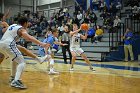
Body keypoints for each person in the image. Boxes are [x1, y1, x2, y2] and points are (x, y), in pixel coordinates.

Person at [0, 17, 47, 89]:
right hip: (8, 44)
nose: (28, 24)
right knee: (22, 62)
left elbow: (3, 31)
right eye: (27, 23)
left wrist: (5, 25)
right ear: (25, 23)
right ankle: (16, 81)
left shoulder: (13, 25)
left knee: (15, 60)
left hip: (1, 44)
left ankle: (13, 77)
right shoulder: (22, 29)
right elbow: (29, 38)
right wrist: (41, 43)